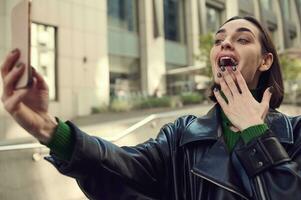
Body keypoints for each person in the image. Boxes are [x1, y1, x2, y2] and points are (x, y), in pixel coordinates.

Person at [1, 16, 301, 200]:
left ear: (265, 61)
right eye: (218, 40)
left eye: (242, 39)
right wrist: (49, 130)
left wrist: (255, 133)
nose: (224, 44)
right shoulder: (182, 135)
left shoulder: (296, 134)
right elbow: (123, 168)